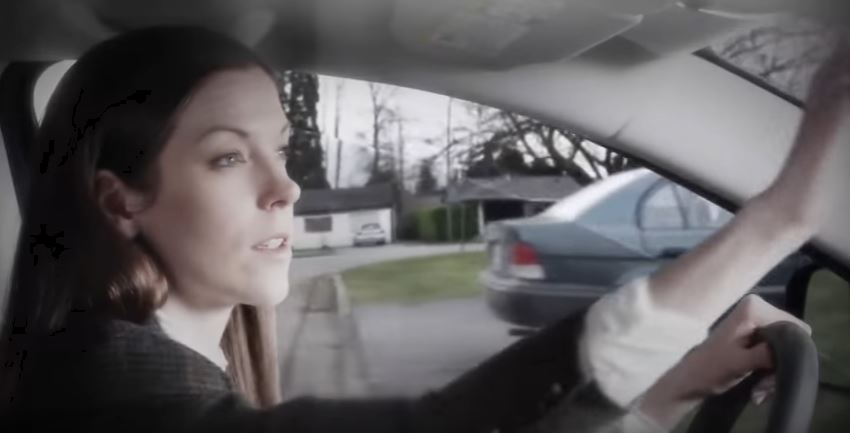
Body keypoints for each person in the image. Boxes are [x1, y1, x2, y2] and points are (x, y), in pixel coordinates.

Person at [0, 25, 844, 433]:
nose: (285, 187)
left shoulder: (172, 368)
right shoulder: (100, 388)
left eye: (280, 150)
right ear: (122, 201)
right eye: (227, 157)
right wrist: (781, 218)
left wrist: (670, 387)